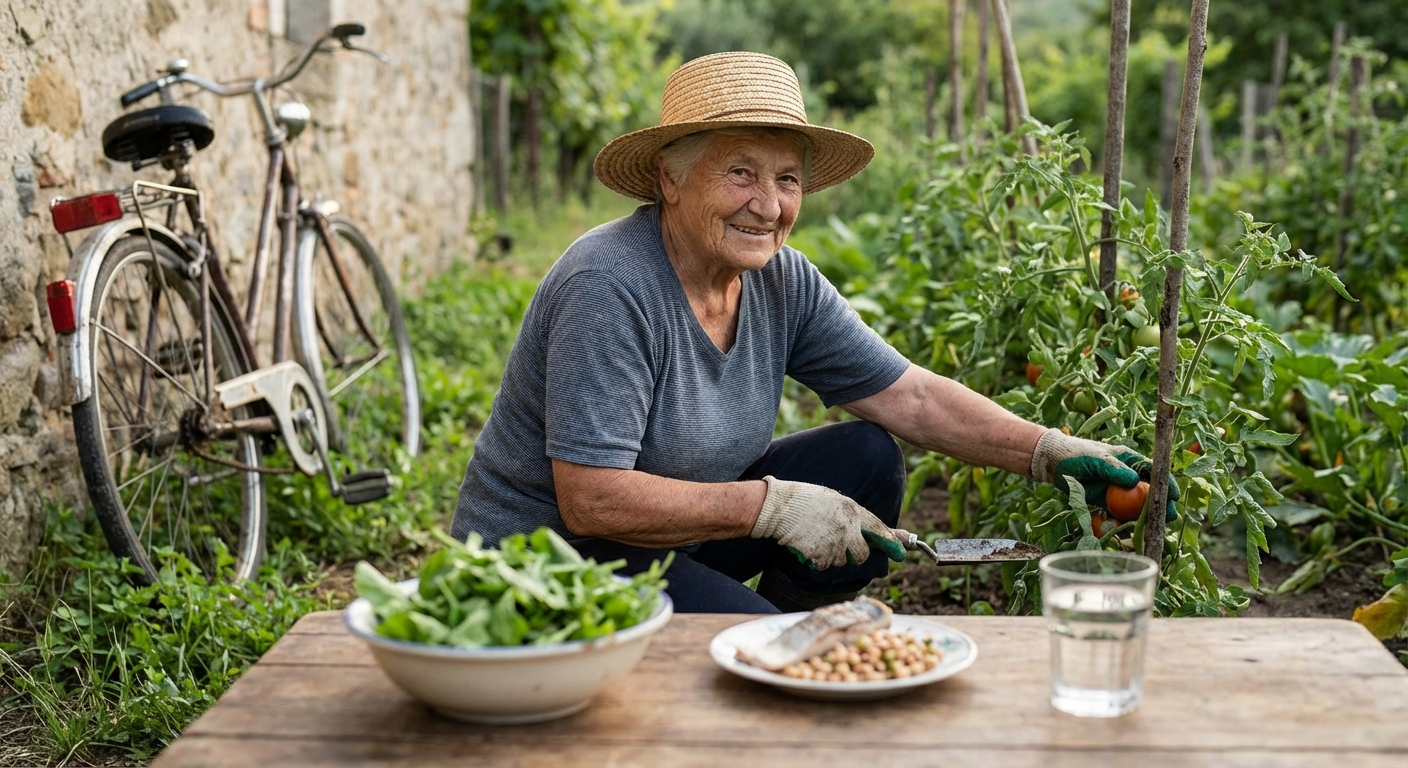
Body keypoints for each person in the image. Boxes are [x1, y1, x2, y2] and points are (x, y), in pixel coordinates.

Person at [451, 52, 1177, 613]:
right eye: (740, 173)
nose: (767, 205)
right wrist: (775, 506)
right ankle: (752, 653)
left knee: (866, 455)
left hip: (676, 535)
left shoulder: (779, 280)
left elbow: (914, 399)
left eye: (788, 179)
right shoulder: (609, 285)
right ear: (670, 180)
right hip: (552, 560)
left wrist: (1049, 452)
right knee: (763, 644)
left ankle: (756, 642)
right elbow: (593, 500)